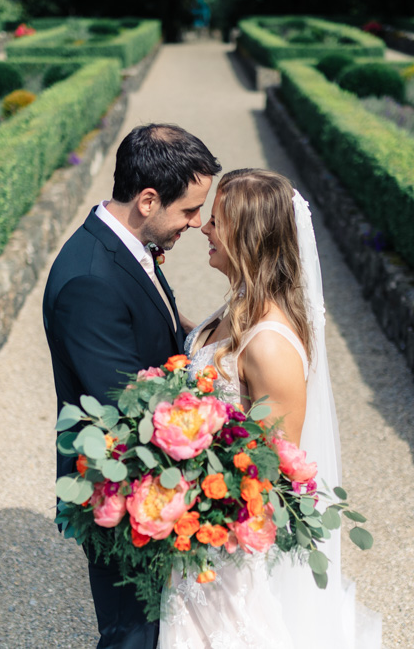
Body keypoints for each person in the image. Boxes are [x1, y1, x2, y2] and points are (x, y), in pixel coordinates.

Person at [159, 168, 381, 649]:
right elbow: (215, 363)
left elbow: (273, 469)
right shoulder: (241, 306)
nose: (203, 228)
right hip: (195, 531)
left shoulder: (272, 346)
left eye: (216, 220)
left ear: (247, 235)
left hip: (222, 541)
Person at [43, 123, 221, 649]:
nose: (196, 222)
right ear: (148, 199)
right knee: (132, 633)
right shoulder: (90, 281)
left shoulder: (129, 242)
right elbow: (125, 406)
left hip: (147, 483)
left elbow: (164, 330)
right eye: (189, 210)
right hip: (121, 488)